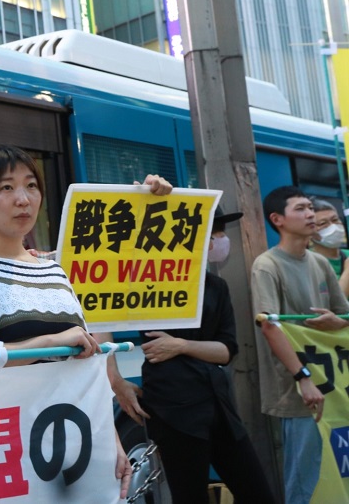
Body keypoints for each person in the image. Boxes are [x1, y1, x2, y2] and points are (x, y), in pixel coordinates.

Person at [0, 144, 171, 500]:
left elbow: (86, 368)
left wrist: (110, 440)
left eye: (31, 186)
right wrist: (52, 341)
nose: (24, 199)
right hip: (4, 452)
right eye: (6, 188)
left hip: (79, 448)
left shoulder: (55, 270)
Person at [109, 206, 278, 504]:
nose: (219, 239)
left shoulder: (217, 286)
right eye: (214, 231)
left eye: (219, 233)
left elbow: (226, 350)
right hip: (175, 411)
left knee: (258, 493)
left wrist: (181, 346)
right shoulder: (149, 280)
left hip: (220, 408)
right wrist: (117, 381)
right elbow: (103, 322)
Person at [251, 186, 349, 504]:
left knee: (337, 472)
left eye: (310, 208)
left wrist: (340, 322)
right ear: (277, 219)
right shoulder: (267, 265)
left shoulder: (319, 263)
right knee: (306, 480)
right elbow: (269, 326)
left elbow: (343, 313)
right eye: (301, 209)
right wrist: (303, 378)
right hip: (299, 393)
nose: (310, 214)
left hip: (334, 388)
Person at [308, 197, 349, 296]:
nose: (333, 226)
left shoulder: (347, 254)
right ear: (309, 232)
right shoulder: (309, 264)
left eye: (335, 220)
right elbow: (334, 305)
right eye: (323, 223)